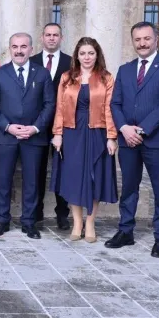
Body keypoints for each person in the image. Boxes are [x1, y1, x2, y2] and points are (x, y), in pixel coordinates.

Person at [106, 22, 159, 256]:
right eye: (138, 39)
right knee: (129, 187)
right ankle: (125, 230)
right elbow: (115, 103)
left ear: (156, 39)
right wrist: (125, 129)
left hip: (156, 139)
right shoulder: (125, 69)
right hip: (128, 139)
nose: (142, 43)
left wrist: (141, 130)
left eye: (146, 38)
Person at [0, 33, 56, 239]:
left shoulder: (42, 74)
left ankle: (29, 222)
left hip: (33, 137)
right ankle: (1, 220)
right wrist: (8, 127)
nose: (19, 50)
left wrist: (35, 128)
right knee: (3, 180)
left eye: (23, 46)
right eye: (15, 46)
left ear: (31, 49)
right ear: (10, 49)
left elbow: (49, 104)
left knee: (32, 181)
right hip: (6, 136)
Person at [51, 37, 118, 243]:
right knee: (73, 177)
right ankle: (77, 221)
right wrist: (58, 133)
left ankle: (90, 222)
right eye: (83, 53)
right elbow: (60, 108)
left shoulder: (106, 78)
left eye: (91, 53)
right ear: (76, 56)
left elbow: (110, 108)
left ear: (97, 55)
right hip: (72, 131)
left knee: (95, 176)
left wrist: (111, 137)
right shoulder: (67, 77)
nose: (87, 57)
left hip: (98, 131)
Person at [31, 22, 72, 229]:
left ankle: (62, 213)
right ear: (42, 37)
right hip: (37, 124)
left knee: (62, 169)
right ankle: (35, 212)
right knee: (36, 169)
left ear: (61, 38)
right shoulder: (31, 61)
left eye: (55, 35)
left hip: (63, 125)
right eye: (48, 34)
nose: (51, 38)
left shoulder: (71, 63)